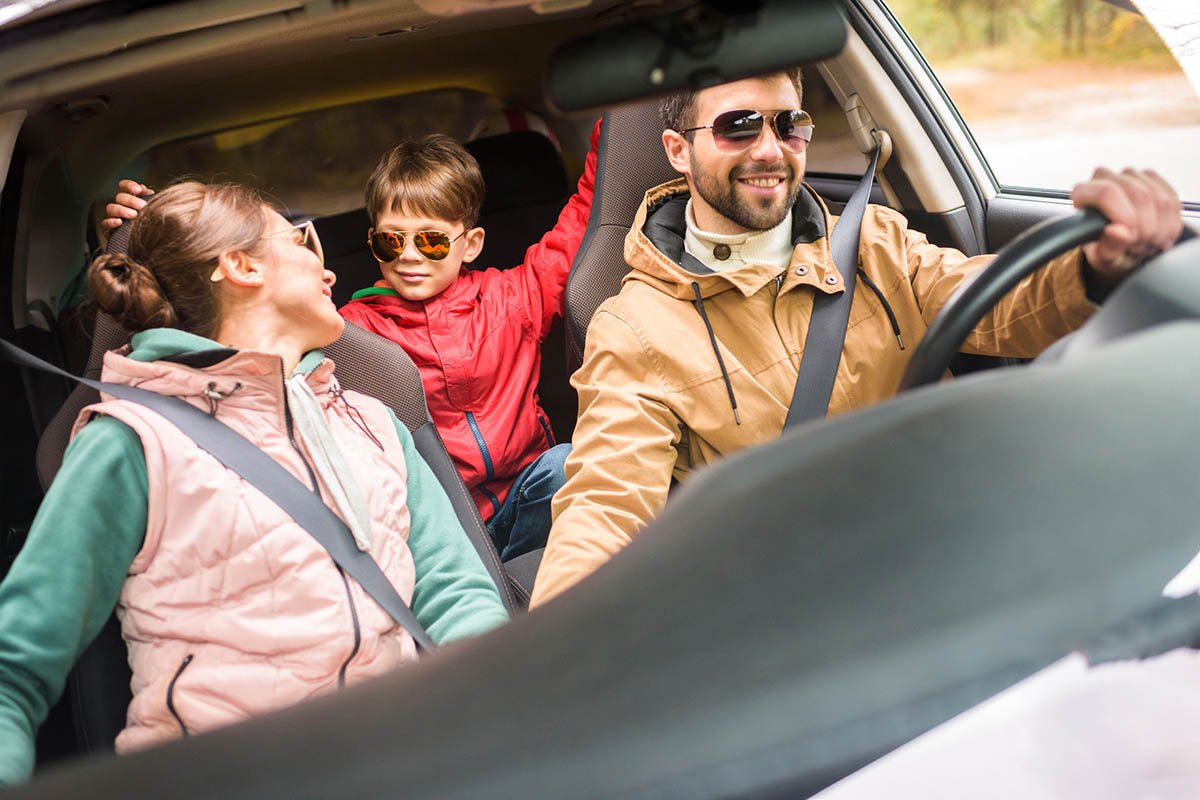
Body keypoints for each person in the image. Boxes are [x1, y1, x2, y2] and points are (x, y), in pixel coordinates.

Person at [529, 68, 1184, 608]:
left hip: (953, 530)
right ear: (678, 150)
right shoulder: (635, 328)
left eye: (791, 124)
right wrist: (556, 657)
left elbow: (998, 304)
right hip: (812, 594)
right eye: (737, 126)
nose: (770, 149)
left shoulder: (872, 241)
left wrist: (1093, 269)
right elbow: (604, 510)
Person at [0, 181, 509, 785]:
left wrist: (508, 729)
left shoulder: (375, 422)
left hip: (407, 762)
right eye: (302, 241)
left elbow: (458, 600)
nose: (330, 269)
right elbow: (15, 669)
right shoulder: (130, 441)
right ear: (240, 265)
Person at [107, 121, 600, 564]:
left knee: (564, 465)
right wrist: (148, 241)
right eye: (391, 241)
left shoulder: (512, 298)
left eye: (430, 241)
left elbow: (584, 216)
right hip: (432, 521)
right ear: (373, 242)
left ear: (469, 244)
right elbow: (232, 330)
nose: (409, 256)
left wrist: (617, 124)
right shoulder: (349, 331)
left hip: (525, 500)